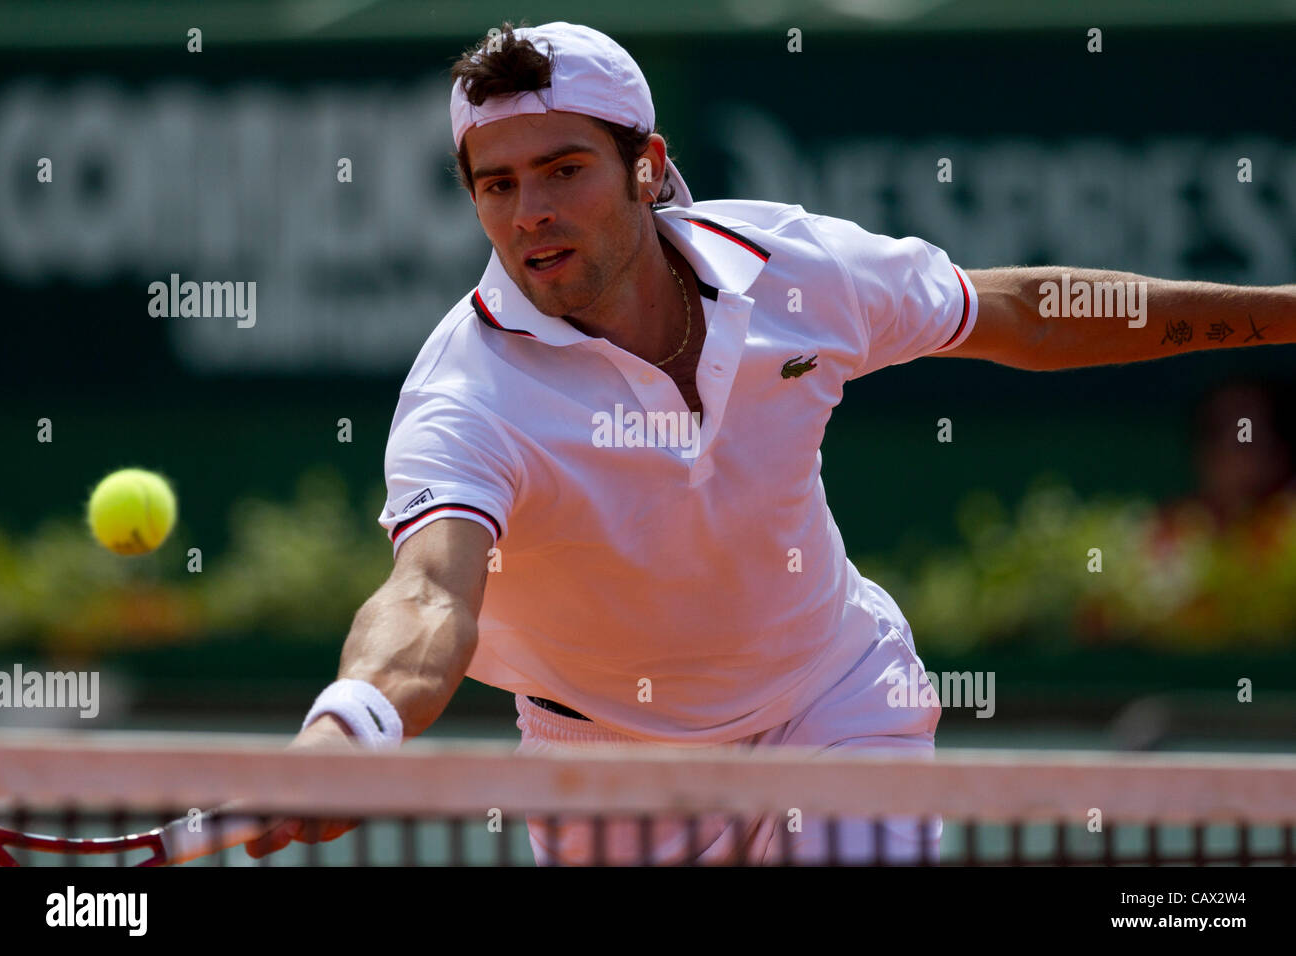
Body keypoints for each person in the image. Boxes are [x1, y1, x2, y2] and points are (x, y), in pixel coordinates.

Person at [247, 21, 1296, 864]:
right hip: (610, 774)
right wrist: (347, 726)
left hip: (833, 696)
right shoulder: (465, 395)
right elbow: (430, 594)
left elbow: (1022, 309)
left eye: (563, 169)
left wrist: (1283, 311)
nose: (531, 211)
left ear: (647, 166)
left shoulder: (796, 268)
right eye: (498, 183)